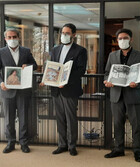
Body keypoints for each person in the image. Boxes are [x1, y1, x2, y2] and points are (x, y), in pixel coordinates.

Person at [40, 23, 87, 156]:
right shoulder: (55, 50)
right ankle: (62, 144)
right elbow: (52, 67)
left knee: (71, 118)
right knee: (60, 118)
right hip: (56, 89)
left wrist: (65, 82)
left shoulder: (80, 50)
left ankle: (72, 146)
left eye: (67, 33)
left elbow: (81, 71)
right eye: (62, 33)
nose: (64, 35)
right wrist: (46, 78)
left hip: (70, 89)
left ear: (73, 35)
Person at [103, 28, 140, 162]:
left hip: (133, 93)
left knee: (136, 124)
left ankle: (137, 150)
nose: (123, 40)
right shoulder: (112, 56)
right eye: (120, 38)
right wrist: (107, 81)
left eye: (125, 38)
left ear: (131, 39)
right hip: (116, 94)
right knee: (117, 123)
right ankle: (118, 149)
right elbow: (107, 73)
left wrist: (137, 82)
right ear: (117, 41)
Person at [0, 28, 37, 154]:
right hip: (7, 91)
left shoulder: (26, 51)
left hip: (23, 91)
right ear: (5, 39)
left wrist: (28, 66)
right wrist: (1, 82)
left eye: (14, 37)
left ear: (18, 38)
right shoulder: (0, 52)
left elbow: (35, 65)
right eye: (9, 37)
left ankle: (24, 143)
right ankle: (10, 142)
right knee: (9, 119)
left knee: (24, 118)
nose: (12, 39)